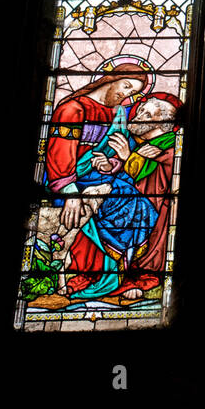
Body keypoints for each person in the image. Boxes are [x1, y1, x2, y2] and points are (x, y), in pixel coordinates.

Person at [43, 60, 156, 302]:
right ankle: (90, 274)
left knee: (138, 204)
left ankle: (113, 275)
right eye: (125, 86)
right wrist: (71, 193)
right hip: (69, 182)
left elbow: (116, 153)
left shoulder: (119, 115)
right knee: (118, 202)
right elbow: (58, 154)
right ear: (109, 79)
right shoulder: (73, 109)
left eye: (132, 92)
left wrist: (111, 164)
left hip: (103, 178)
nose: (125, 94)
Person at [114, 92, 183, 297]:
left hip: (156, 221)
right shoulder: (141, 145)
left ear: (163, 122)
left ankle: (146, 275)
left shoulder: (170, 147)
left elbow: (162, 183)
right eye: (141, 110)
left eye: (146, 114)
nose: (138, 114)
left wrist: (129, 158)